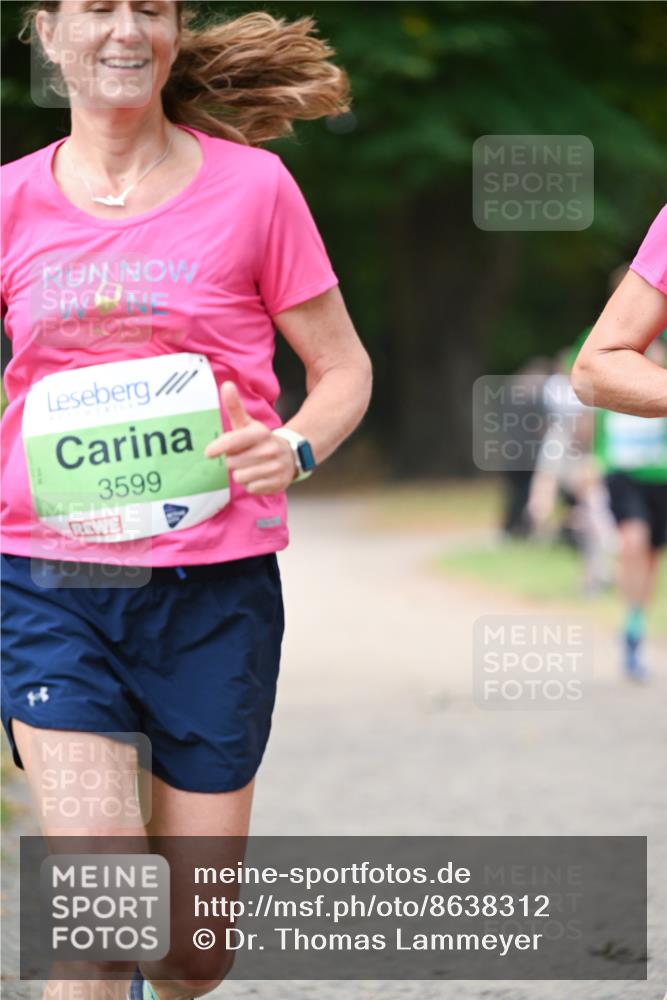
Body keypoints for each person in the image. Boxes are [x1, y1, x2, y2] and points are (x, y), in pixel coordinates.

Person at [0, 3, 372, 999]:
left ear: (171, 30)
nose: (125, 29)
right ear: (45, 31)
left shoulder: (254, 188)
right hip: (49, 586)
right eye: (97, 8)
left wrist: (291, 445)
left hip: (212, 596)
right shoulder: (8, 203)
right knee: (102, 913)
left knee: (193, 954)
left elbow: (341, 373)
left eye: (150, 8)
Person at [572, 210, 667, 678]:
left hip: (662, 469)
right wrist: (587, 457)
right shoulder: (598, 345)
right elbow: (588, 391)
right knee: (633, 542)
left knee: (650, 555)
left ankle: (636, 619)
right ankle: (632, 628)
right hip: (622, 466)